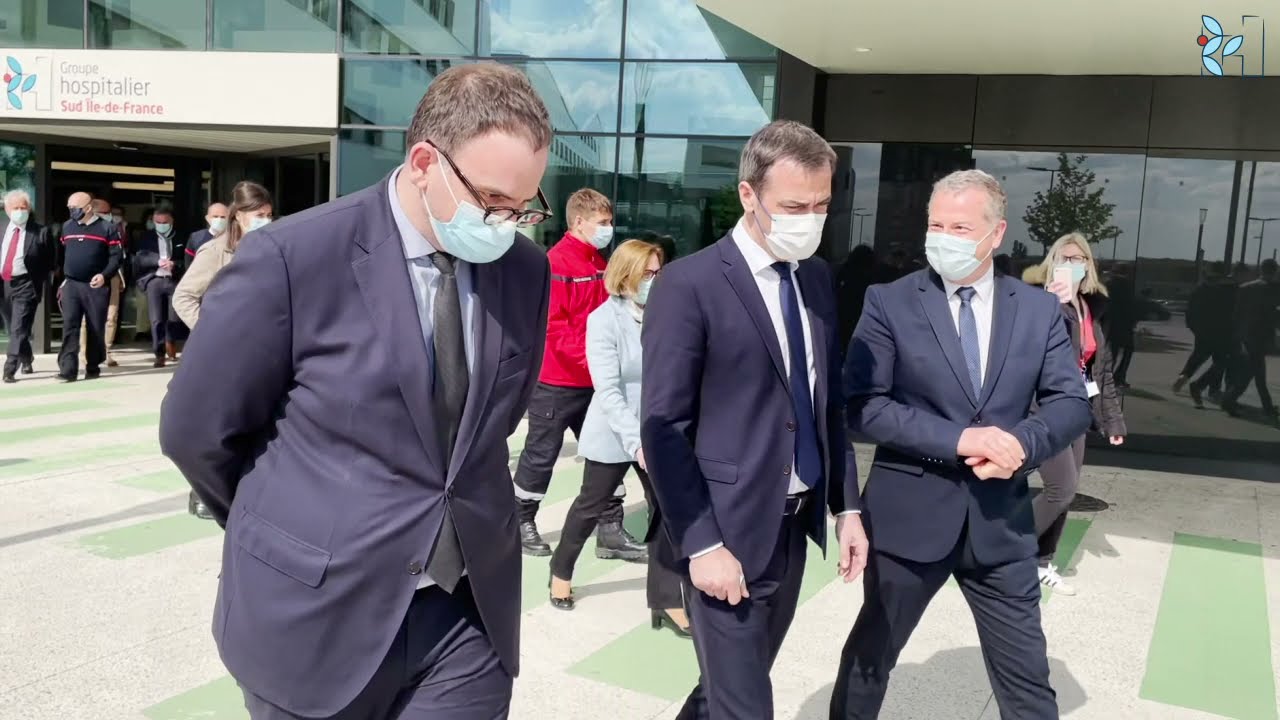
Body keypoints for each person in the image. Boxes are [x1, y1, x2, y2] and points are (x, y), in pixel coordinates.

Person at [159, 63, 555, 720]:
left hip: (465, 616)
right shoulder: (294, 258)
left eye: (523, 208)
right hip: (316, 615)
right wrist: (297, 524)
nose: (505, 223)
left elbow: (496, 420)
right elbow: (197, 431)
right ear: (425, 161)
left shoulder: (524, 272)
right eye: (490, 201)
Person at [831, 170, 1092, 719]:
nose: (943, 236)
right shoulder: (889, 302)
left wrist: (1023, 443)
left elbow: (1070, 403)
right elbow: (864, 404)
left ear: (996, 234)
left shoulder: (1039, 310)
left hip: (1001, 525)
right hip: (909, 521)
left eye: (960, 226)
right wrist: (960, 439)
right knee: (869, 661)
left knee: (1027, 680)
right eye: (935, 224)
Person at [641, 120, 866, 719]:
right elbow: (663, 427)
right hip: (725, 533)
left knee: (725, 692)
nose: (810, 218)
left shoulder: (815, 277)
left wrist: (847, 506)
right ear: (748, 195)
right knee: (746, 708)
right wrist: (702, 543)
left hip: (792, 531)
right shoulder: (688, 285)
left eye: (821, 205)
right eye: (794, 205)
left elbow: (827, 401)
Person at [548, 239, 688, 634]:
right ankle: (561, 570)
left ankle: (666, 598)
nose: (655, 281)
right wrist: (636, 441)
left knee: (667, 509)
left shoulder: (668, 315)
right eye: (647, 274)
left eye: (659, 273)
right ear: (626, 276)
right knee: (590, 505)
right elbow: (607, 391)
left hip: (657, 428)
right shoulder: (603, 320)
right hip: (615, 429)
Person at [512, 188, 641, 560]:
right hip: (558, 383)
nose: (608, 228)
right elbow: (553, 327)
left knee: (610, 454)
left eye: (610, 221)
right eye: (602, 222)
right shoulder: (556, 264)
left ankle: (610, 531)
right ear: (579, 222)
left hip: (594, 383)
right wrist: (595, 362)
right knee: (540, 456)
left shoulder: (601, 265)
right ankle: (522, 522)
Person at [1023, 234, 1126, 596]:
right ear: (1052, 262)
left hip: (1077, 411)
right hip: (1045, 410)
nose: (1073, 264)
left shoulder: (1089, 308)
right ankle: (1006, 550)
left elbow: (1102, 370)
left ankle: (1039, 561)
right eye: (1065, 258)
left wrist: (1112, 419)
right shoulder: (1039, 302)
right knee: (1060, 488)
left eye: (1080, 258)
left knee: (1067, 492)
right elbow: (1026, 348)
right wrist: (1051, 305)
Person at [172, 183, 272, 333]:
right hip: (229, 340)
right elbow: (183, 297)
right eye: (259, 216)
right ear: (238, 215)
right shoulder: (215, 251)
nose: (266, 221)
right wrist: (211, 332)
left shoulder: (269, 247)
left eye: (269, 215)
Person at [57, 192, 121, 382]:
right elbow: (63, 253)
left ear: (88, 208)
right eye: (69, 208)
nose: (72, 211)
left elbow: (116, 256)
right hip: (72, 284)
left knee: (95, 327)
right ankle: (67, 369)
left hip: (95, 286)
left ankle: (93, 366)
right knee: (70, 326)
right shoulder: (67, 227)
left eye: (75, 208)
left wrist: (104, 275)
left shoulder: (107, 228)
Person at [1, 190, 52, 382]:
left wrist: (39, 281)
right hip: (4, 283)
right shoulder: (2, 227)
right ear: (7, 210)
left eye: (23, 208)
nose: (20, 211)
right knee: (11, 326)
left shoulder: (41, 231)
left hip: (26, 284)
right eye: (15, 208)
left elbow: (49, 261)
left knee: (18, 326)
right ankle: (26, 356)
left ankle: (9, 368)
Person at [1221, 258, 1278, 420]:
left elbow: (1236, 314)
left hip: (1246, 335)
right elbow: (1272, 316)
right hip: (1261, 336)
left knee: (1256, 372)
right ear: (1275, 271)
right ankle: (1229, 400)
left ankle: (1267, 407)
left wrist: (1238, 334)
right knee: (1253, 373)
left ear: (1261, 269)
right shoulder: (1273, 289)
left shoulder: (1245, 288)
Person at [132, 206, 185, 367]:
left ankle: (171, 340)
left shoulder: (181, 237)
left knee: (173, 317)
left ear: (172, 222)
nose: (161, 225)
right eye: (158, 222)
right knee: (156, 319)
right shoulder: (146, 237)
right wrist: (157, 261)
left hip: (174, 281)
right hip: (154, 280)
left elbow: (188, 259)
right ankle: (159, 353)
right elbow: (139, 259)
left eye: (165, 222)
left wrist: (174, 264)